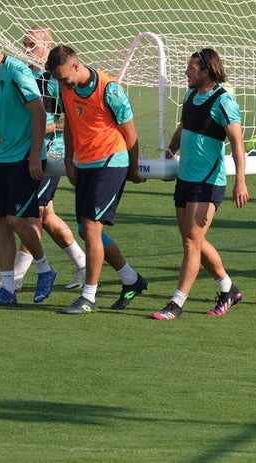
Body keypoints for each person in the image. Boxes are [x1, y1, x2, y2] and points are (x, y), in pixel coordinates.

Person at [45, 44, 151, 314]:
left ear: (76, 65)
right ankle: (131, 279)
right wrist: (69, 160)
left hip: (111, 162)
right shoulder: (66, 89)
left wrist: (133, 168)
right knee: (85, 230)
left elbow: (130, 133)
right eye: (58, 80)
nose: (62, 84)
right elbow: (70, 125)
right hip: (85, 164)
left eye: (63, 77)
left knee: (92, 228)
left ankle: (88, 297)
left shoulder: (109, 89)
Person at [150, 49, 249, 320]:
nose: (186, 73)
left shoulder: (224, 101)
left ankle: (176, 303)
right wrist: (170, 151)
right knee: (192, 240)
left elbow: (238, 144)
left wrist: (240, 181)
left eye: (191, 69)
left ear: (206, 71)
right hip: (185, 179)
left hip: (207, 182)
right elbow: (184, 127)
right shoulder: (190, 95)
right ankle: (228, 289)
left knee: (191, 242)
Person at [0, 31, 57, 306]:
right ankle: (6, 288)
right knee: (2, 223)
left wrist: (35, 155)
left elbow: (38, 112)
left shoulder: (16, 72)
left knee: (16, 219)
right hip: (4, 156)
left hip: (25, 156)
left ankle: (44, 269)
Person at [9, 26, 87, 291]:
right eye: (25, 44)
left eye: (32, 45)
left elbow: (72, 118)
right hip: (27, 151)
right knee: (48, 218)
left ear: (48, 47)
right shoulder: (22, 74)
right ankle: (83, 263)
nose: (26, 50)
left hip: (51, 154)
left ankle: (16, 277)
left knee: (34, 213)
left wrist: (45, 127)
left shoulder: (56, 80)